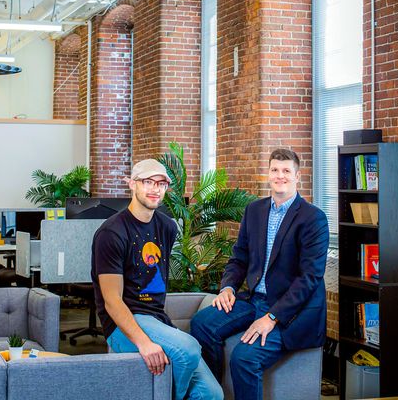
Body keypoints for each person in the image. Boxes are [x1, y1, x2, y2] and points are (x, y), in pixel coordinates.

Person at [190, 148, 330, 400]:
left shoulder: (313, 218)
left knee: (243, 358)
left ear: (298, 176)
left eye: (286, 171)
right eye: (275, 170)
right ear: (268, 173)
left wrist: (272, 316)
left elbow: (309, 278)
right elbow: (239, 256)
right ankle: (212, 395)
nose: (280, 176)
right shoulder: (255, 210)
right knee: (202, 324)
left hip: (291, 312)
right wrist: (228, 288)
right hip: (255, 298)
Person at [91, 159, 223, 400]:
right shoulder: (111, 233)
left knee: (211, 394)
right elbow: (111, 302)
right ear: (131, 184)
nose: (155, 189)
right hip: (123, 323)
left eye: (161, 183)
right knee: (188, 350)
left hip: (157, 320)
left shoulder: (167, 227)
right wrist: (144, 342)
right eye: (147, 182)